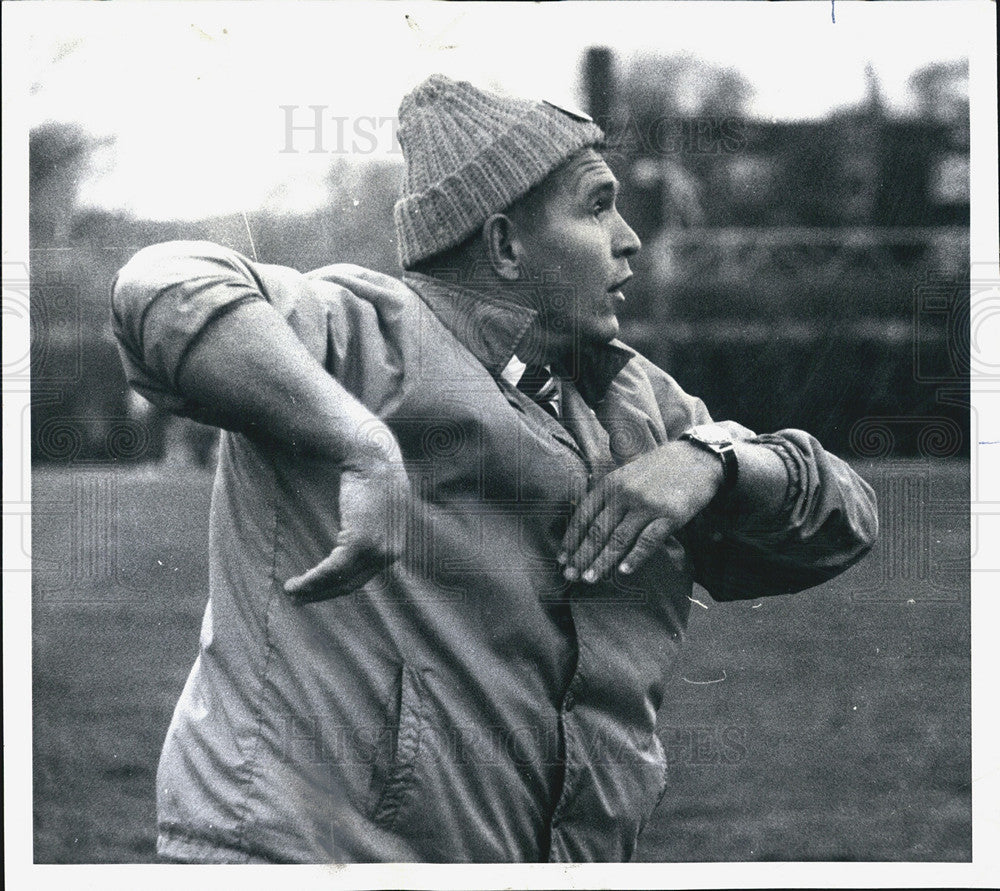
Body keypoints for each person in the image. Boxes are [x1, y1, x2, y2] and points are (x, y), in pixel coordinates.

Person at [111, 74, 878, 863]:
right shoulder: (366, 334)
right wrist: (360, 442)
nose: (630, 237)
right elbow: (162, 285)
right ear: (506, 244)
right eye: (595, 204)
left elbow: (844, 518)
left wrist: (713, 459)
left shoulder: (630, 398)